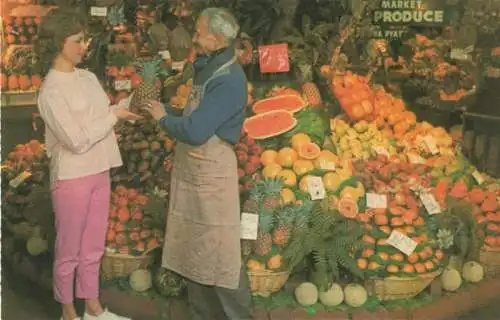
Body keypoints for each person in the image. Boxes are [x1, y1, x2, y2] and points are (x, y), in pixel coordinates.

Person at [143, 7, 253, 320]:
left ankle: (237, 316)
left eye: (198, 32)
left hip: (212, 176)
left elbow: (195, 130)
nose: (193, 37)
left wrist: (163, 118)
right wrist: (166, 108)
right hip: (195, 173)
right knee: (194, 250)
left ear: (216, 39)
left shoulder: (229, 79)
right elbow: (193, 116)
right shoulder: (207, 68)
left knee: (220, 255)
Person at [35, 8, 140, 320]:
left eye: (85, 40)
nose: (84, 46)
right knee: (68, 251)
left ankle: (93, 307)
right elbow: (76, 140)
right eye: (78, 40)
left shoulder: (89, 77)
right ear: (58, 43)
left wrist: (127, 107)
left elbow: (102, 115)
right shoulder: (50, 91)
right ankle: (68, 311)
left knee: (94, 246)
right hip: (71, 177)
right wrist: (113, 116)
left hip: (99, 169)